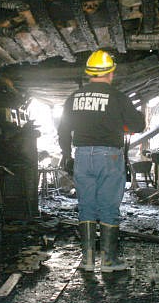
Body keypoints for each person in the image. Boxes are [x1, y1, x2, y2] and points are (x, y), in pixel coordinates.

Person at [57, 50, 145, 272]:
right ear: (111, 73)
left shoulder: (74, 97)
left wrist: (67, 155)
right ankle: (108, 261)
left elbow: (63, 129)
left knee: (86, 206)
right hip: (109, 156)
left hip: (83, 156)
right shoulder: (117, 97)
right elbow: (138, 125)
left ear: (89, 74)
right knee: (108, 207)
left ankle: (87, 261)